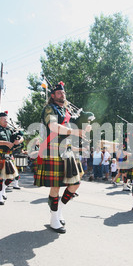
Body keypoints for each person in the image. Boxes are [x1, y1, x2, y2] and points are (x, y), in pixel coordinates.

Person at [34, 81, 90, 233]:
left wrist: (84, 127)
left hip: (68, 149)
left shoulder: (66, 111)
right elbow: (53, 127)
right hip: (54, 149)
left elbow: (71, 127)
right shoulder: (49, 109)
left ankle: (58, 211)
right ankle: (53, 219)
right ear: (53, 96)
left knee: (75, 183)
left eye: (63, 93)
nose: (62, 95)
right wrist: (75, 132)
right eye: (59, 93)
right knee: (56, 186)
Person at [0, 111, 24, 205]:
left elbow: (21, 137)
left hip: (9, 155)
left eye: (6, 119)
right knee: (0, 177)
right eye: (4, 119)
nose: (6, 121)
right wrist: (5, 143)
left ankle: (3, 188)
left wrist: (18, 141)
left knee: (13, 176)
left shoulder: (10, 130)